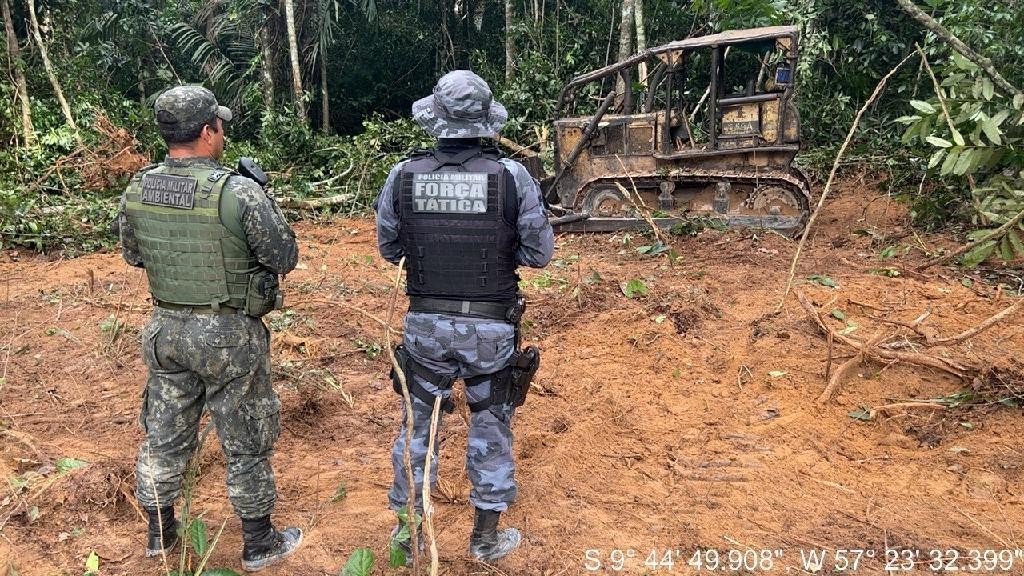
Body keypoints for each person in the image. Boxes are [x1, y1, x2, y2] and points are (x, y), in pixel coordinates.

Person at [117, 85, 302, 572]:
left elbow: (134, 254)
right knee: (247, 436)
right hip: (228, 334)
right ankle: (258, 542)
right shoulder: (237, 191)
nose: (222, 134)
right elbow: (283, 256)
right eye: (219, 126)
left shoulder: (138, 186)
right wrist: (263, 195)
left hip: (165, 330)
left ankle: (160, 533)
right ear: (207, 131)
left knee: (164, 431)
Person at [374, 70, 555, 562]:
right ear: (484, 122)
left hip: (425, 328)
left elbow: (390, 248)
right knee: (491, 425)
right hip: (490, 328)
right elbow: (539, 254)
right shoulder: (511, 177)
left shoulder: (403, 175)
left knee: (418, 428)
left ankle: (408, 539)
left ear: (436, 118)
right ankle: (485, 538)